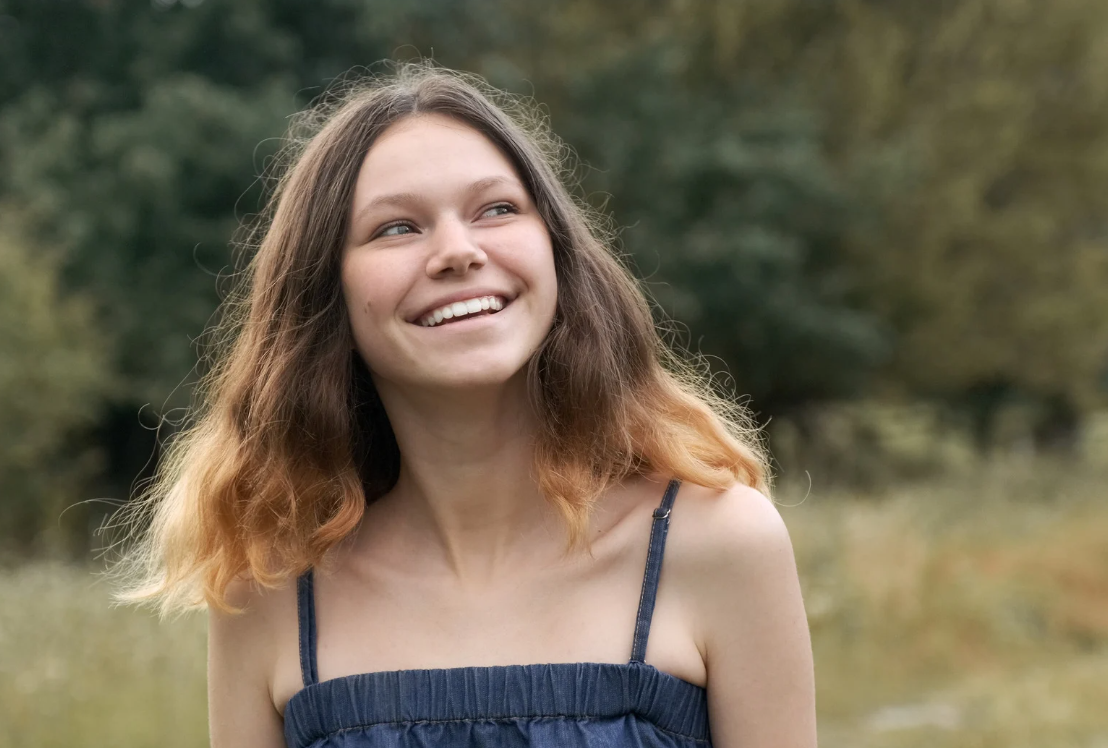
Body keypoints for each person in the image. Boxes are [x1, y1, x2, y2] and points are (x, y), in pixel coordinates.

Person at [112, 62, 816, 747]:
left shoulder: (718, 544)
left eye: (497, 209)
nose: (457, 251)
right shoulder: (266, 589)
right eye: (397, 228)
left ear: (556, 253)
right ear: (325, 296)